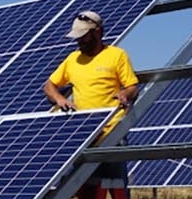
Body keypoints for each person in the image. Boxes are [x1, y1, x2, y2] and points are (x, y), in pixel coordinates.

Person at [42, 10, 139, 140]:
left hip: (111, 130)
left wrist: (125, 94)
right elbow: (49, 86)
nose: (79, 41)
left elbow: (132, 87)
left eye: (83, 36)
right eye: (78, 37)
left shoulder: (117, 55)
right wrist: (60, 99)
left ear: (97, 32)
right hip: (84, 130)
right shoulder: (73, 59)